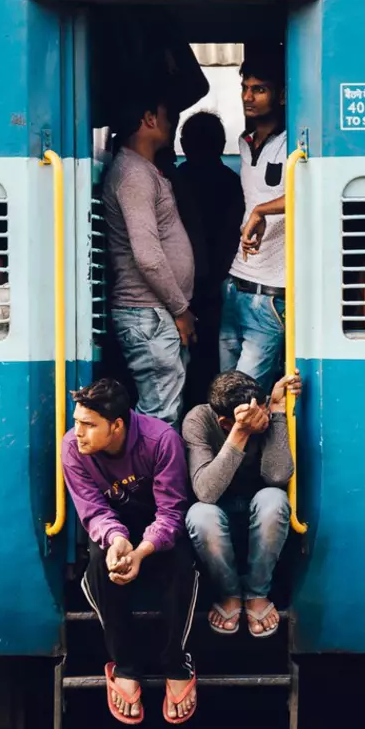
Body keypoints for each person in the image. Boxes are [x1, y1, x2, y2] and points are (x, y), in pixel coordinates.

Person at [62, 377, 200, 726]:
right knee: (97, 563)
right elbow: (92, 510)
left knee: (182, 562)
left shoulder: (160, 440)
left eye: (89, 425)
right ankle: (124, 665)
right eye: (77, 422)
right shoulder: (72, 448)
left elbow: (171, 512)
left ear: (117, 425)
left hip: (158, 529)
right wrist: (116, 540)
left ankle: (175, 662)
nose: (78, 432)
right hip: (113, 531)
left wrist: (141, 552)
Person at [182, 370, 298, 640]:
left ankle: (258, 593)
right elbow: (207, 492)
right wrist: (240, 432)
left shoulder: (266, 409)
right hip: (220, 511)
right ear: (223, 421)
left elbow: (278, 476)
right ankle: (230, 593)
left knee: (274, 499)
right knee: (200, 515)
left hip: (259, 512)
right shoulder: (198, 419)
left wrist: (277, 412)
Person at [102, 95, 197, 419]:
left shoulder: (140, 170)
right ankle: (150, 472)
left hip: (153, 313)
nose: (172, 123)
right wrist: (181, 310)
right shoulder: (134, 175)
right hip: (148, 314)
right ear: (149, 119)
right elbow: (148, 256)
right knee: (160, 413)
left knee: (164, 407)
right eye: (166, 116)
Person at [222, 53, 290, 384]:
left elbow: (311, 192)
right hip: (235, 286)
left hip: (272, 294)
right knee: (225, 391)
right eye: (245, 88)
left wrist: (263, 211)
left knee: (241, 398)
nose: (248, 97)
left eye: (259, 89)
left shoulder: (295, 144)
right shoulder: (244, 142)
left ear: (282, 95)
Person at [172, 112, 245, 399]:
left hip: (179, 291)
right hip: (222, 283)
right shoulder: (232, 183)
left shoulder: (176, 181)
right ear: (222, 144)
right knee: (217, 357)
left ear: (183, 143)